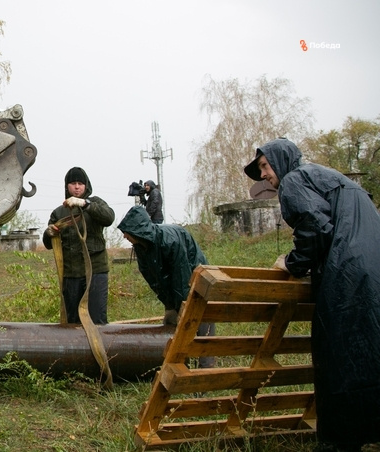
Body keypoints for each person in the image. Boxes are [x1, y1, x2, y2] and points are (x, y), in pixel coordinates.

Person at [244, 138, 380, 451]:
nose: (263, 174)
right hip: (372, 268)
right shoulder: (328, 177)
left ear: (281, 160)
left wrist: (291, 263)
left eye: (265, 166)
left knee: (338, 354)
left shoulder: (293, 181)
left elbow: (317, 228)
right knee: (370, 349)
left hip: (347, 272)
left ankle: (341, 439)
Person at [116, 205, 215, 368]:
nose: (124, 236)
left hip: (196, 276)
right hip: (173, 283)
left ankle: (206, 365)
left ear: (137, 230)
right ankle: (179, 361)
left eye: (127, 232)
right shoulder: (141, 247)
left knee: (201, 318)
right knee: (171, 319)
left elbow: (181, 275)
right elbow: (153, 279)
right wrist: (170, 304)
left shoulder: (170, 240)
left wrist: (183, 305)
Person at [42, 167, 115, 325]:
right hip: (71, 274)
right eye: (73, 183)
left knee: (97, 320)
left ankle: (99, 350)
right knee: (73, 321)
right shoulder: (59, 213)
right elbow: (48, 244)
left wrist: (85, 204)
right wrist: (49, 233)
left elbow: (109, 217)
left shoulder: (95, 203)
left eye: (80, 183)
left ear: (86, 186)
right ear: (67, 186)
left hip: (95, 272)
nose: (76, 187)